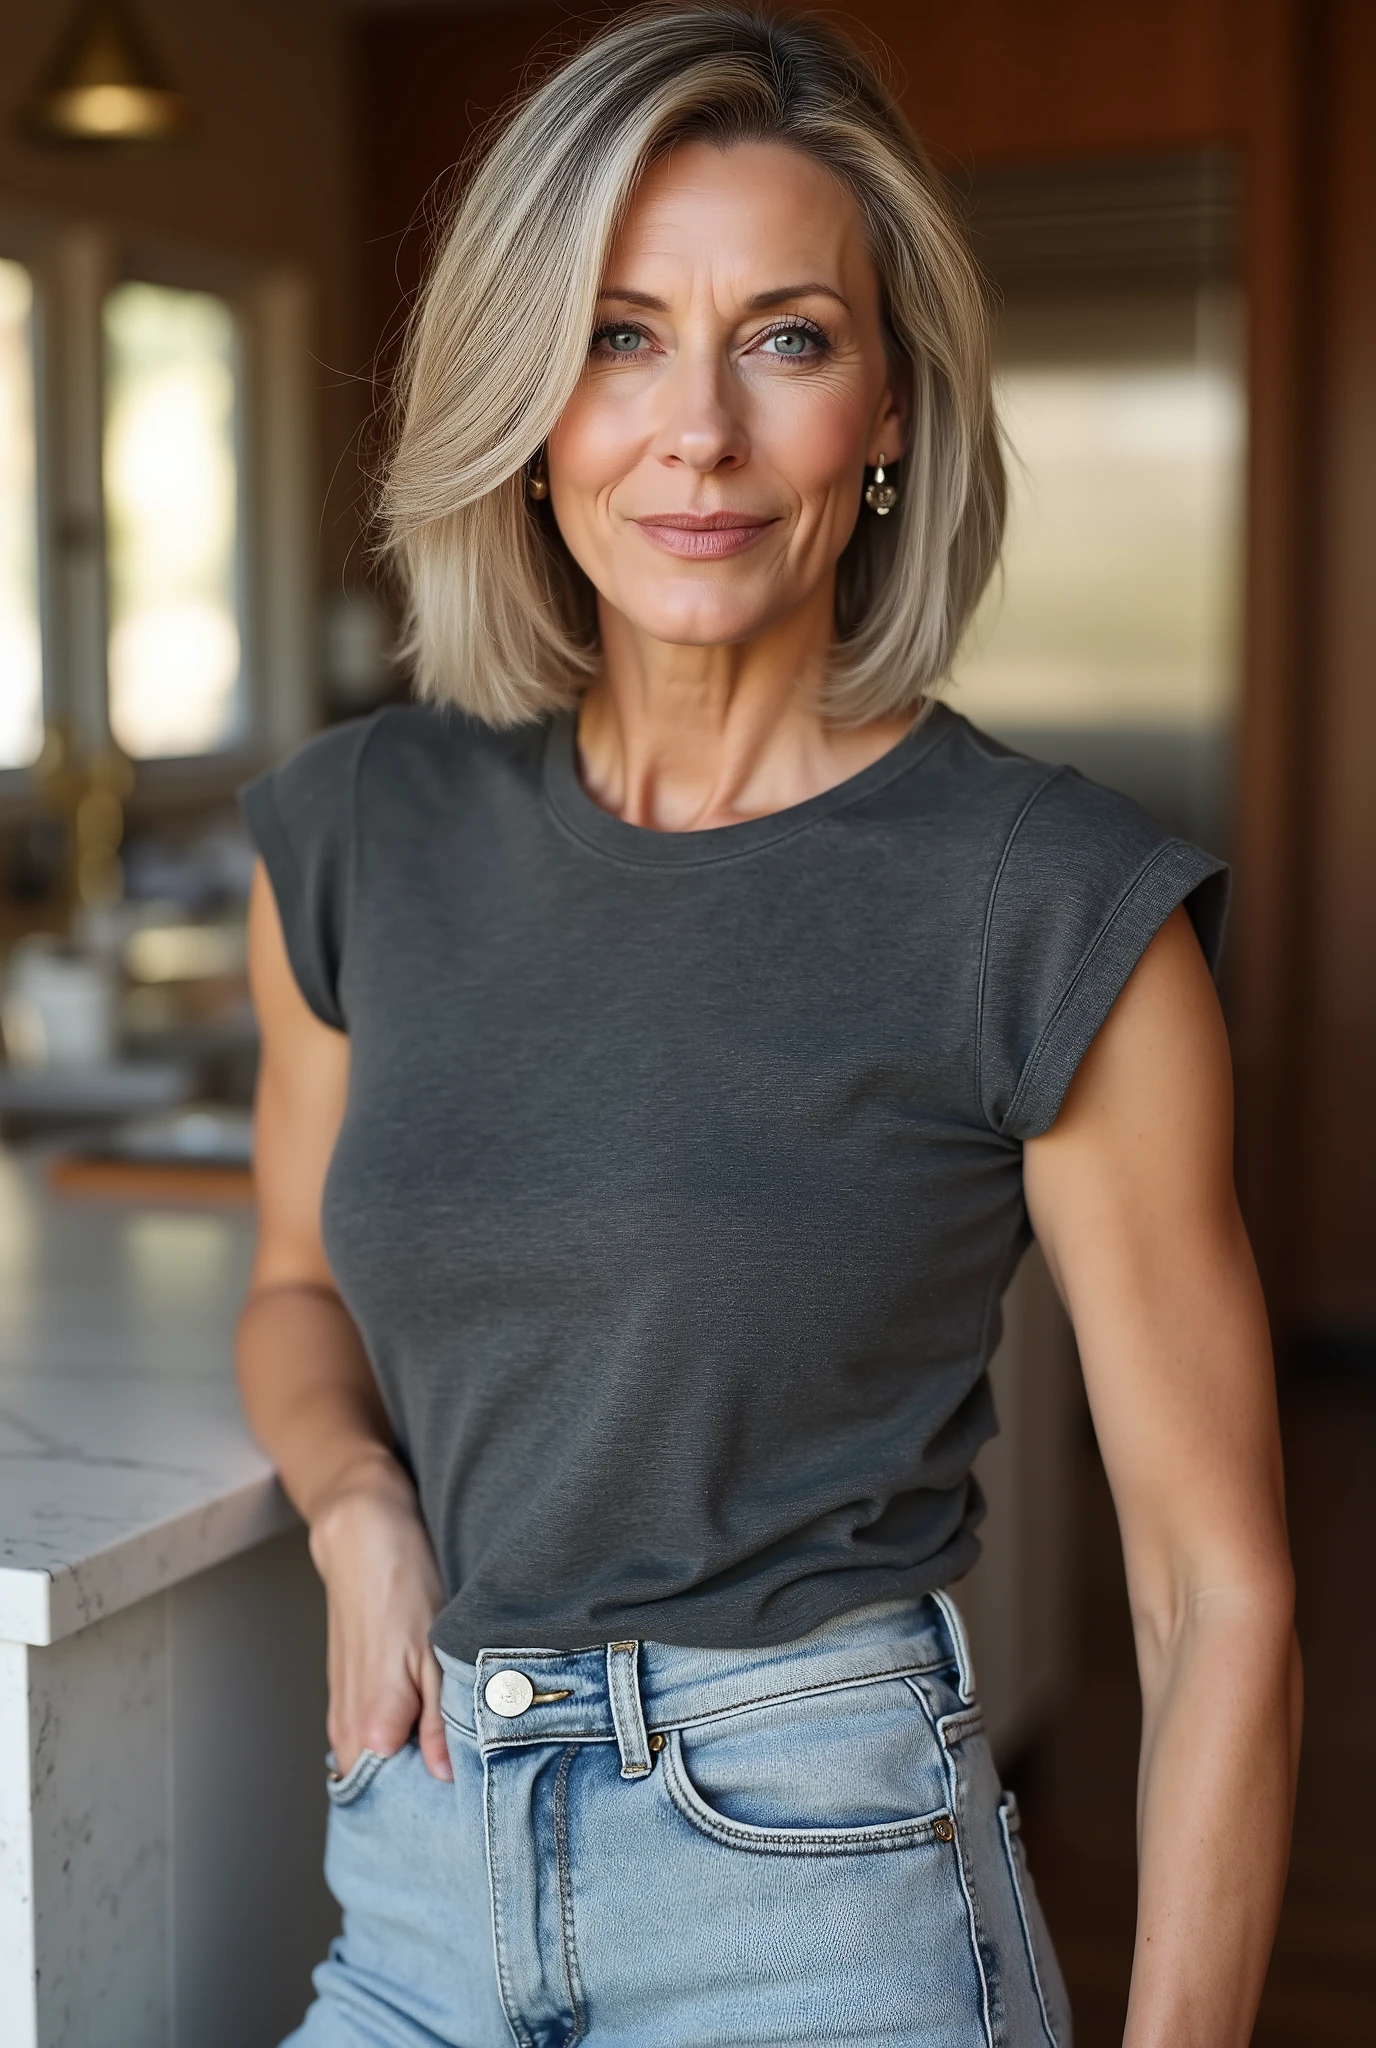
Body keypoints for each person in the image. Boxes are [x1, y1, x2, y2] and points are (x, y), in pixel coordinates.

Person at [237, 9, 1300, 2044]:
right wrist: (355, 1502)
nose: (695, 433)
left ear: (887, 403)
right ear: (527, 404)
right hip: (412, 1889)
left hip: (813, 1895)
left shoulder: (1048, 902)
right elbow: (296, 1283)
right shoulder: (366, 828)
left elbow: (1214, 1593)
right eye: (619, 336)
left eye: (787, 337)